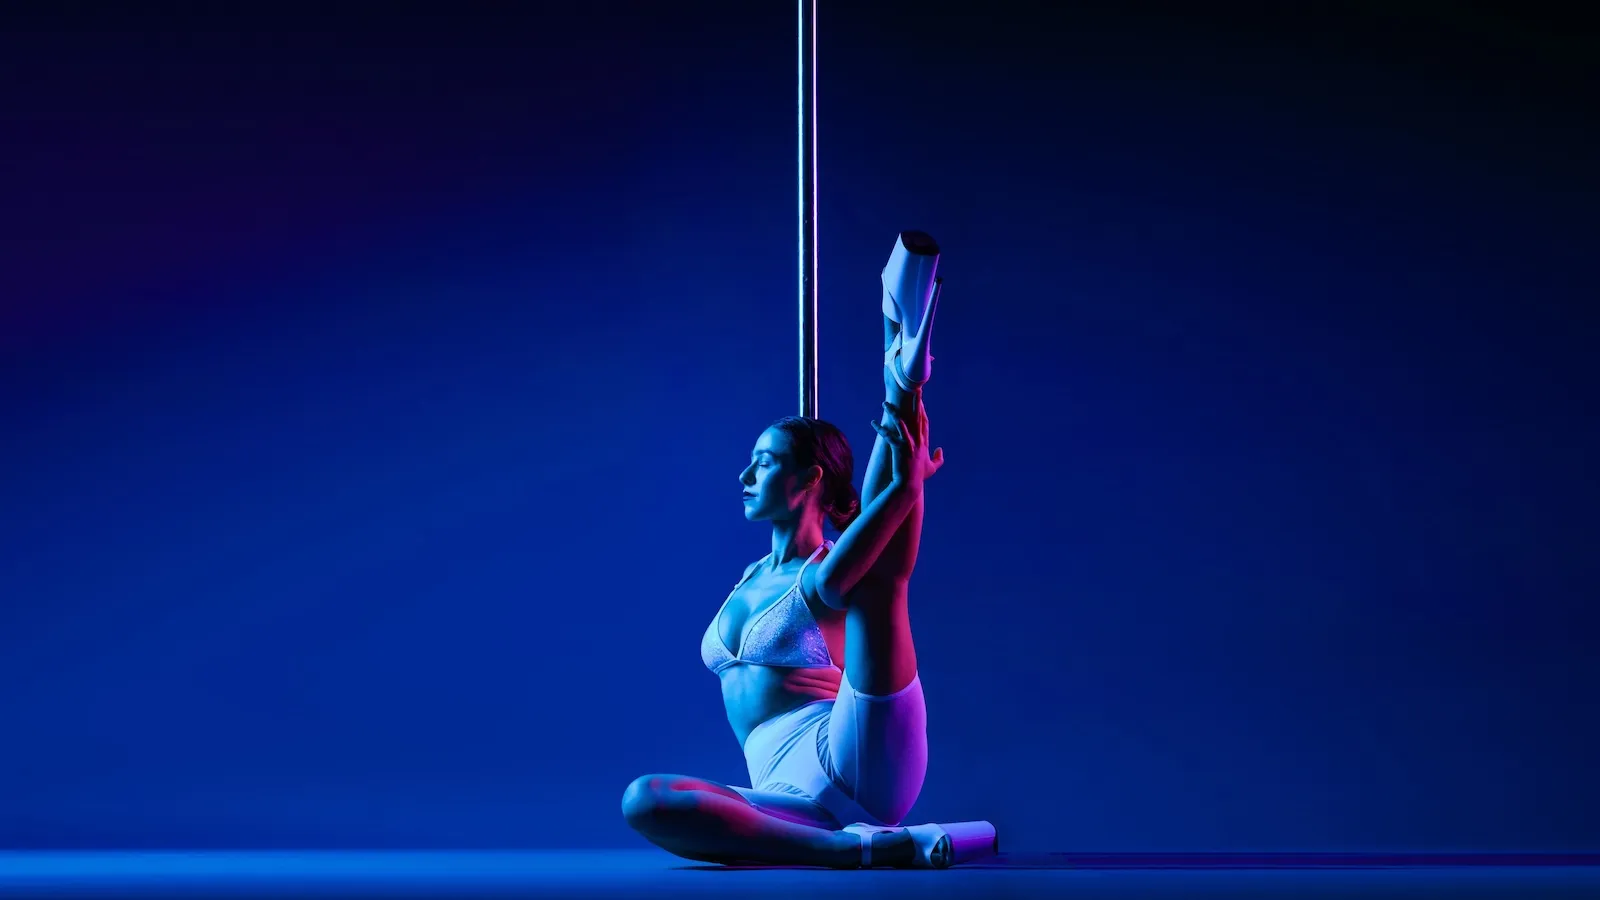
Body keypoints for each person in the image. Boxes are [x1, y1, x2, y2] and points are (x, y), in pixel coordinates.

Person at [621, 232, 994, 868]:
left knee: (876, 588)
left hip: (853, 752)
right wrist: (902, 491)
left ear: (808, 480)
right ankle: (849, 849)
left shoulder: (822, 571)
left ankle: (901, 380)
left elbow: (877, 560)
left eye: (763, 464)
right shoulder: (748, 576)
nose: (744, 477)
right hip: (782, 792)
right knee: (647, 799)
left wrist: (906, 488)